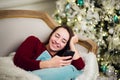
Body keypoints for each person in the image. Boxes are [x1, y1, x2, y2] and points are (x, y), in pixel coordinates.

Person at [13, 25, 85, 80]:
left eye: (63, 41)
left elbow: (80, 66)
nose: (57, 41)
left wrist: (71, 43)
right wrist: (49, 63)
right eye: (57, 36)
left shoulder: (61, 58)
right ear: (51, 35)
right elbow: (18, 60)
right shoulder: (34, 42)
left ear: (65, 45)